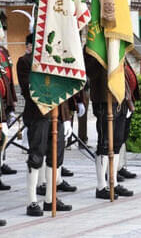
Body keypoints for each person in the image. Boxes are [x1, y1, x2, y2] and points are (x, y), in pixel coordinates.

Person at [17, 34, 73, 216]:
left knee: (56, 157)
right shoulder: (25, 61)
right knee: (36, 156)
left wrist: (67, 116)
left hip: (58, 115)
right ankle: (32, 201)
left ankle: (50, 198)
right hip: (38, 114)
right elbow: (28, 89)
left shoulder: (58, 61)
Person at [84, 46, 133, 199]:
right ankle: (101, 186)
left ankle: (113, 181)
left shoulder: (116, 43)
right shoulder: (93, 44)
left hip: (120, 98)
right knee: (104, 143)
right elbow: (90, 72)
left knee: (117, 142)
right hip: (104, 99)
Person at [117, 59, 141, 180]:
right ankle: (110, 170)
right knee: (112, 138)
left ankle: (119, 166)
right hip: (117, 100)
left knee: (122, 136)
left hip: (126, 99)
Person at [0, 43, 18, 177]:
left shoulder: (3, 51)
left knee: (3, 135)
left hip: (4, 101)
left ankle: (1, 163)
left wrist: (12, 101)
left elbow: (8, 79)